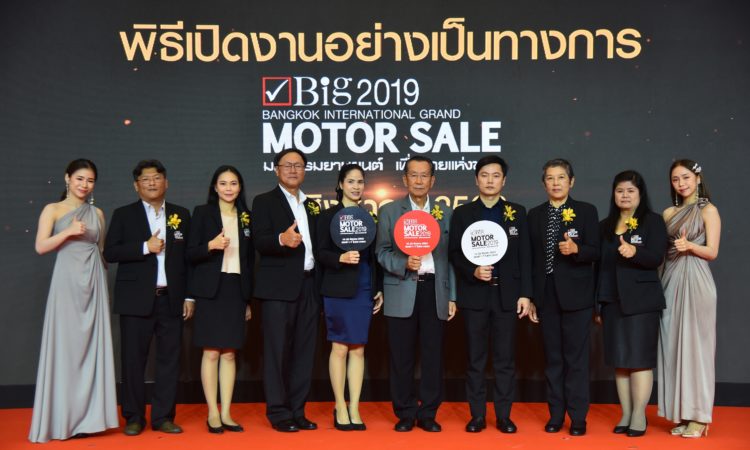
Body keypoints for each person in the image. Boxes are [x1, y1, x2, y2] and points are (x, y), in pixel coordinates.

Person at [29, 159, 118, 442]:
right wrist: (67, 231)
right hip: (66, 284)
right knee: (66, 349)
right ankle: (63, 419)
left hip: (94, 283)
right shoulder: (52, 210)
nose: (84, 185)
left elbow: (101, 252)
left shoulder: (98, 213)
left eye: (90, 180)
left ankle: (90, 419)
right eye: (80, 178)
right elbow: (41, 246)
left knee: (92, 349)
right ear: (67, 178)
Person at [448, 156, 537, 434]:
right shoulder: (463, 213)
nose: (489, 180)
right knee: (475, 359)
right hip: (475, 295)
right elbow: (454, 254)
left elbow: (525, 256)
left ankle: (503, 416)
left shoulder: (516, 212)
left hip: (506, 296)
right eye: (484, 175)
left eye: (495, 175)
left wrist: (526, 294)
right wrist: (472, 270)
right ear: (476, 179)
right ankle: (477, 416)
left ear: (504, 180)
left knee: (504, 360)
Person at [104, 160, 192, 436]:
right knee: (133, 360)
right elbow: (110, 252)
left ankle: (163, 416)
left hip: (171, 298)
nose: (152, 183)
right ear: (136, 185)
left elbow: (188, 258)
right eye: (145, 179)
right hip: (136, 299)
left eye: (157, 178)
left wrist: (189, 296)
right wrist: (145, 246)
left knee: (169, 360)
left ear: (166, 182)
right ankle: (133, 416)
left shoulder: (181, 214)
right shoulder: (124, 214)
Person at [375, 155, 456, 433]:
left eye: (424, 175)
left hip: (435, 290)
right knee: (402, 357)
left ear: (432, 180)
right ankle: (406, 412)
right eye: (413, 175)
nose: (419, 180)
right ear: (404, 179)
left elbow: (452, 258)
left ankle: (429, 413)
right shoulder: (389, 211)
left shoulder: (445, 213)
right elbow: (381, 252)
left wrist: (453, 296)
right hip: (402, 288)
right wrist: (403, 263)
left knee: (433, 356)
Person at [528, 158, 599, 436]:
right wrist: (531, 297)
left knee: (576, 361)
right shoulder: (534, 214)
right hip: (546, 296)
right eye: (550, 178)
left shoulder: (586, 211)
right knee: (553, 360)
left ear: (571, 181)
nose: (556, 183)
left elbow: (597, 251)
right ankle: (556, 415)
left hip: (577, 297)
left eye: (561, 178)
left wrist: (577, 250)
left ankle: (578, 417)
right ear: (543, 183)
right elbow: (531, 260)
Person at [252, 148, 320, 432]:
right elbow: (258, 240)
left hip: (309, 286)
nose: (293, 170)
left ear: (305, 170)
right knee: (277, 352)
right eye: (287, 165)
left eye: (298, 165)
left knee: (304, 353)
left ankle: (297, 410)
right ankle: (279, 412)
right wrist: (281, 238)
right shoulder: (264, 201)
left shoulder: (313, 205)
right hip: (278, 289)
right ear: (276, 169)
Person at [595, 170, 667, 437]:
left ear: (640, 194)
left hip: (641, 301)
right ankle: (626, 413)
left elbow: (656, 257)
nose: (624, 196)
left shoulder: (653, 221)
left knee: (639, 361)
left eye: (630, 191)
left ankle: (639, 414)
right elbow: (599, 268)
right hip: (611, 300)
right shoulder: (604, 226)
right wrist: (598, 303)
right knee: (620, 361)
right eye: (619, 191)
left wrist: (635, 251)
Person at [317, 164, 384, 431]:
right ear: (340, 184)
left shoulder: (368, 217)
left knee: (358, 348)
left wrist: (378, 287)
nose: (356, 186)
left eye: (360, 182)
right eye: (351, 181)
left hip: (363, 286)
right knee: (340, 347)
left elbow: (374, 257)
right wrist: (340, 258)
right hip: (337, 288)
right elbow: (321, 253)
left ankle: (354, 406)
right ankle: (340, 405)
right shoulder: (327, 216)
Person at [187, 165, 254, 434]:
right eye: (223, 183)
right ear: (215, 187)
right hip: (210, 290)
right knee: (212, 352)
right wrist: (210, 246)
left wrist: (247, 299)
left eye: (233, 183)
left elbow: (250, 261)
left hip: (236, 289)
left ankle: (226, 412)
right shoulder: (202, 213)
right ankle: (212, 412)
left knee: (229, 354)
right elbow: (189, 253)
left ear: (240, 187)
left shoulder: (247, 217)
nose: (228, 188)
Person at [658, 159, 721, 438]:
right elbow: (661, 252)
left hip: (696, 281)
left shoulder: (709, 210)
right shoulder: (668, 213)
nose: (681, 183)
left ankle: (700, 417)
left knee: (697, 349)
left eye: (685, 177)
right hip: (670, 280)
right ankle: (684, 413)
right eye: (675, 179)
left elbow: (713, 251)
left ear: (697, 178)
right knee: (674, 347)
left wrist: (690, 246)